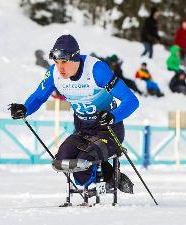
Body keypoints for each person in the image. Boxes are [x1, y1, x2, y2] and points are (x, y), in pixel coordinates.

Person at [9, 35, 139, 193]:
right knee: (63, 161)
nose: (60, 67)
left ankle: (108, 178)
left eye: (64, 62)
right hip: (83, 130)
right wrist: (25, 108)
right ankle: (110, 175)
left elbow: (131, 100)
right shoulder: (54, 74)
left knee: (84, 160)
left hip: (109, 129)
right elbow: (38, 96)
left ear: (75, 58)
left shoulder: (96, 70)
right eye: (56, 62)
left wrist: (113, 116)